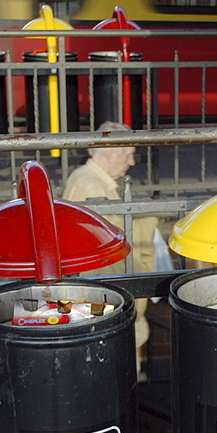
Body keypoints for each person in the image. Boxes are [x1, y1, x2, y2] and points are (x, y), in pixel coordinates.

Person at [63, 121, 158, 374]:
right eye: (128, 154)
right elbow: (113, 248)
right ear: (108, 153)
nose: (132, 161)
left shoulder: (87, 179)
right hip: (105, 299)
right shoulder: (93, 187)